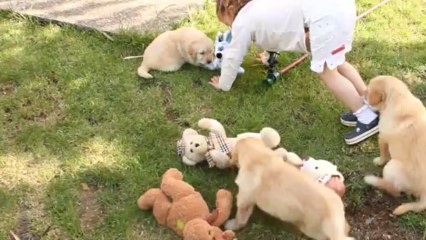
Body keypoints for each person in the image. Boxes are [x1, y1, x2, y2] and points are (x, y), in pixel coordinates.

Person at [209, 0, 379, 145]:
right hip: (338, 8)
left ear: (230, 10)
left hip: (324, 19)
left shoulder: (242, 21)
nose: (230, 27)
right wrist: (268, 58)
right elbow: (273, 33)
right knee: (339, 62)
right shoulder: (259, 6)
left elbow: (232, 56)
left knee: (327, 72)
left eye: (226, 22)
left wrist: (223, 84)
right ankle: (370, 102)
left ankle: (366, 117)